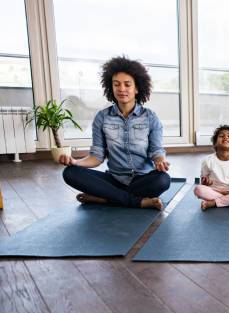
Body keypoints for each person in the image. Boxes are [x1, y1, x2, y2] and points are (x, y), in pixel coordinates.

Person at [60, 56, 171, 210]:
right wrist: (75, 162)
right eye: (116, 84)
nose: (121, 89)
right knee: (70, 173)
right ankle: (135, 201)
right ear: (110, 87)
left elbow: (156, 150)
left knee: (163, 180)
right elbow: (96, 157)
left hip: (143, 178)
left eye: (127, 84)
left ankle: (106, 198)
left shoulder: (150, 117)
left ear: (137, 88)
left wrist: (160, 161)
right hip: (114, 178)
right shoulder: (102, 117)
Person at [194, 125, 229, 210]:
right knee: (198, 190)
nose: (225, 137)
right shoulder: (207, 160)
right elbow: (203, 179)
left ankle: (213, 203)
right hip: (214, 191)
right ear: (215, 144)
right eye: (221, 136)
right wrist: (205, 183)